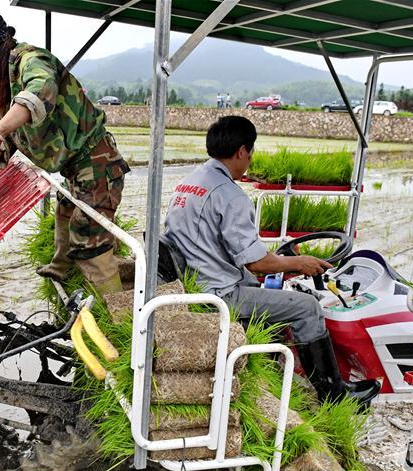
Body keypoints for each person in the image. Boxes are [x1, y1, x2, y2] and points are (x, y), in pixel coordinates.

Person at [162, 116, 379, 409]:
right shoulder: (229, 195)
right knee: (308, 307)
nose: (249, 161)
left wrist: (284, 260)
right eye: (249, 154)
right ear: (241, 151)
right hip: (218, 293)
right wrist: (299, 263)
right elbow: (256, 263)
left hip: (194, 279)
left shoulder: (190, 183)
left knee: (262, 288)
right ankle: (334, 395)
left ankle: (274, 368)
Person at [0, 2, 129, 294]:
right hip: (74, 169)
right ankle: (62, 272)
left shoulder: (30, 60)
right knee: (66, 213)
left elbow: (39, 92)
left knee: (89, 241)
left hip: (96, 162)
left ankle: (118, 319)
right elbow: (6, 138)